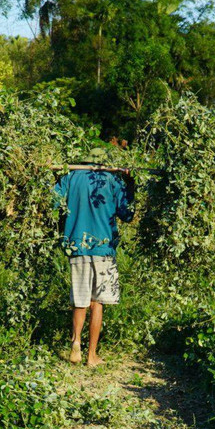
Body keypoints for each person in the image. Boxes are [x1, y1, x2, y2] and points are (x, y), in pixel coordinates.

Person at [53, 150, 135, 367]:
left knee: (80, 300)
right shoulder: (113, 181)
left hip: (77, 245)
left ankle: (76, 343)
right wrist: (130, 185)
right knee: (97, 303)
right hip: (103, 248)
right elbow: (127, 214)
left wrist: (54, 178)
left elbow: (52, 202)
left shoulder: (70, 177)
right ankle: (91, 356)